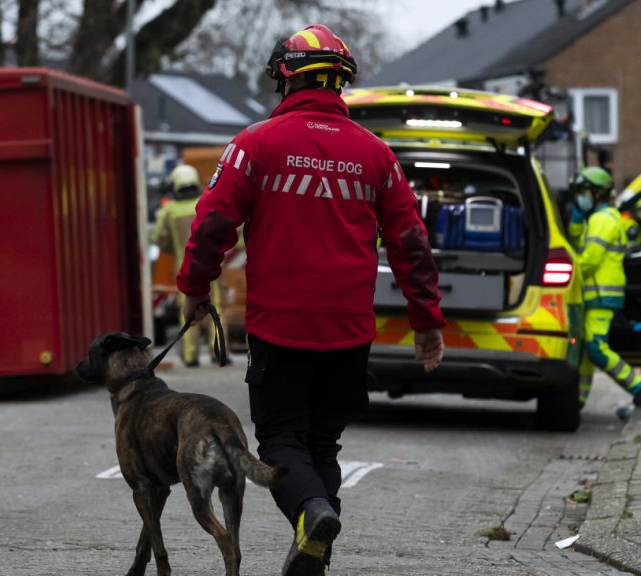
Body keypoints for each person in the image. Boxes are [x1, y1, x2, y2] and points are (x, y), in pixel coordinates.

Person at [177, 24, 446, 576]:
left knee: (280, 441)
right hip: (349, 330)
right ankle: (314, 556)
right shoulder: (376, 156)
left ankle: (312, 512)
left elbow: (215, 223)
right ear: (340, 82)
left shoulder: (255, 144)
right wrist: (426, 320)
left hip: (281, 327)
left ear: (285, 77)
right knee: (322, 445)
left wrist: (195, 288)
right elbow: (411, 243)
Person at [568, 167, 641, 412]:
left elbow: (589, 259)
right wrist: (575, 223)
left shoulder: (602, 220)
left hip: (601, 295)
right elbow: (580, 244)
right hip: (598, 295)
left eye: (583, 193)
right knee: (585, 349)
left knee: (595, 348)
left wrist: (568, 277)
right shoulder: (599, 218)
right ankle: (578, 399)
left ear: (597, 193)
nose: (580, 198)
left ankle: (638, 386)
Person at [150, 164, 223, 367]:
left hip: (185, 268)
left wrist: (175, 247)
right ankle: (218, 350)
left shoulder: (169, 211)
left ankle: (191, 356)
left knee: (189, 312)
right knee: (216, 308)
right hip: (212, 264)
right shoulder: (206, 202)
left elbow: (159, 238)